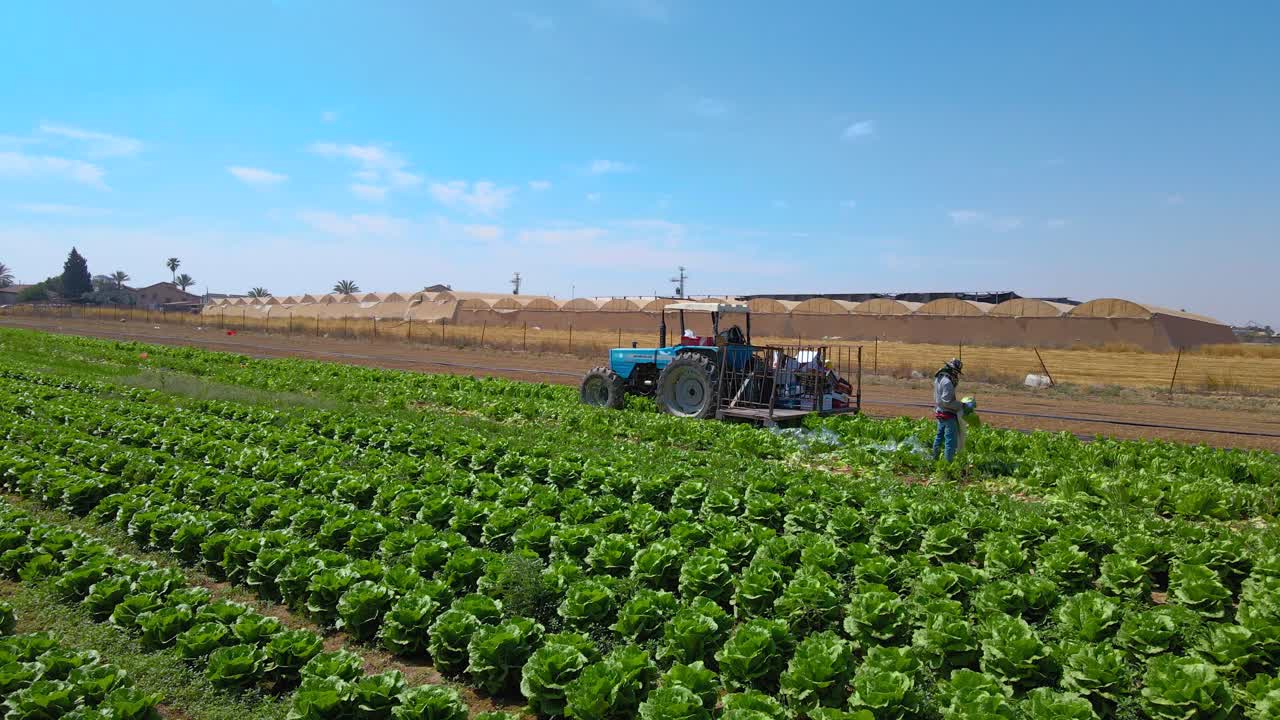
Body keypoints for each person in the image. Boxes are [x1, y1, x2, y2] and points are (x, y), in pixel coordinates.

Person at [932, 358, 964, 461]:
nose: (956, 374)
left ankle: (934, 459)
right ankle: (947, 465)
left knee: (939, 437)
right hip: (947, 414)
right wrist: (962, 405)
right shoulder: (947, 383)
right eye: (956, 372)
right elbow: (947, 402)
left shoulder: (939, 378)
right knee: (950, 441)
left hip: (939, 411)